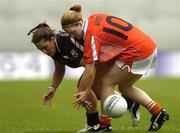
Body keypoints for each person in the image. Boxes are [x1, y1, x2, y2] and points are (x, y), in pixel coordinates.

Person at [60, 5, 169, 131]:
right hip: (147, 46)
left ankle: (105, 125)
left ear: (80, 24)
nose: (72, 36)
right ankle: (158, 112)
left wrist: (85, 91)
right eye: (69, 34)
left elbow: (90, 69)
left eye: (73, 32)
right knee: (124, 87)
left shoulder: (91, 36)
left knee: (106, 82)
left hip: (137, 51)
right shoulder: (93, 18)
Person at [27, 23, 140, 132]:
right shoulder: (54, 48)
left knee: (82, 89)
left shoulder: (67, 44)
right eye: (40, 49)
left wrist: (84, 90)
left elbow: (90, 66)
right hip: (96, 62)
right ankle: (130, 102)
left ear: (52, 39)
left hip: (105, 58)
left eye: (45, 47)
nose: (44, 51)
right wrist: (52, 89)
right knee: (95, 91)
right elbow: (59, 70)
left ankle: (94, 124)